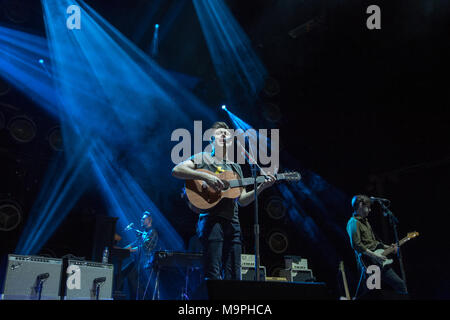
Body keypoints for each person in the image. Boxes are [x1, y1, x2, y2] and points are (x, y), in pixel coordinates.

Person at [172, 121, 276, 281]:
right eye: (219, 133)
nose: (223, 135)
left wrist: (262, 187)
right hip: (211, 221)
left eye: (226, 133)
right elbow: (177, 170)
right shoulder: (203, 158)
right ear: (211, 139)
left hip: (233, 224)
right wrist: (206, 176)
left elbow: (241, 200)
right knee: (212, 272)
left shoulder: (236, 167)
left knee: (234, 274)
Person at [346, 194, 408, 298]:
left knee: (400, 285)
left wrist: (389, 247)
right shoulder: (353, 222)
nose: (370, 210)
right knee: (371, 293)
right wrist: (375, 256)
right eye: (368, 207)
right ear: (361, 205)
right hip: (369, 263)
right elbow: (356, 245)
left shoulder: (366, 222)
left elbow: (374, 243)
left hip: (380, 262)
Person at [121, 211, 159, 299]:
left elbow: (144, 247)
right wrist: (125, 249)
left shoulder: (152, 232)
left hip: (146, 263)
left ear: (149, 220)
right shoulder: (144, 233)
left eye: (143, 218)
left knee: (138, 282)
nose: (141, 220)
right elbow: (136, 243)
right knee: (125, 274)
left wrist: (131, 250)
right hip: (139, 262)